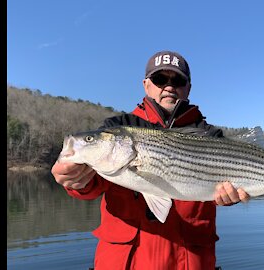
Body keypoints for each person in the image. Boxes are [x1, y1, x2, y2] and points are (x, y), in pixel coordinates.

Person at [51, 50, 250, 270]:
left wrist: (228, 197)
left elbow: (219, 191)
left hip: (191, 262)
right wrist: (75, 180)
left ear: (188, 88)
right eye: (160, 79)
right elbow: (91, 186)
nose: (169, 86)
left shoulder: (210, 137)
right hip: (125, 263)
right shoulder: (118, 126)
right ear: (146, 85)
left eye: (178, 80)